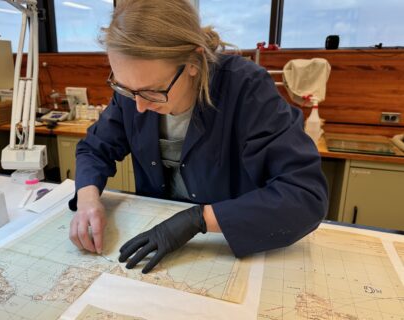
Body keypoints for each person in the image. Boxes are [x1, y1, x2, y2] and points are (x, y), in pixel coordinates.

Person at [69, 0, 328, 274]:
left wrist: (199, 219)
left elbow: (305, 196)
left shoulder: (246, 88)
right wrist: (87, 199)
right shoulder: (136, 92)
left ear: (193, 61)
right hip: (151, 238)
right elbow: (94, 149)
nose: (139, 107)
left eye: (153, 91)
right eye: (125, 89)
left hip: (224, 245)